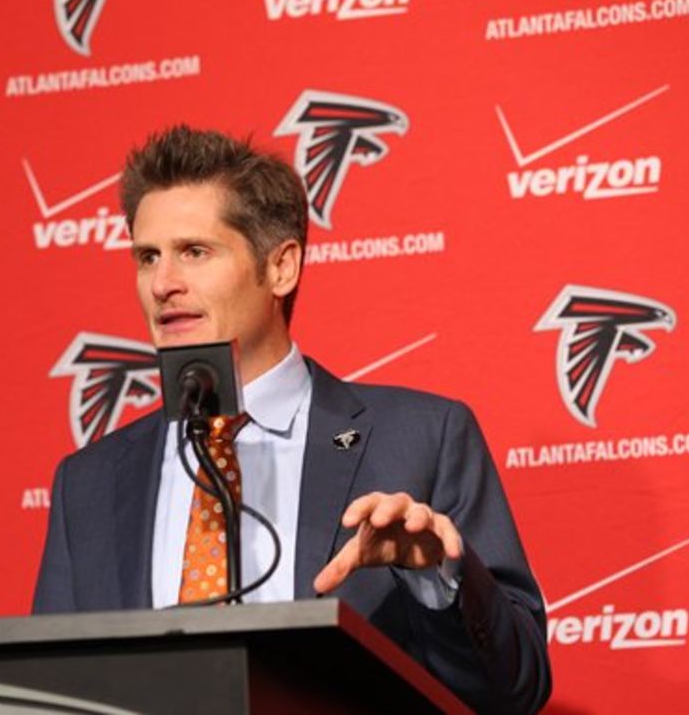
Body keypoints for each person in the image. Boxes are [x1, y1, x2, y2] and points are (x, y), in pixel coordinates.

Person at [33, 125, 551, 713]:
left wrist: (438, 580)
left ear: (281, 267)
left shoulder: (423, 439)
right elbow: (50, 690)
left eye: (195, 252)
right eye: (147, 256)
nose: (162, 284)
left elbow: (518, 690)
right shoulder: (90, 482)